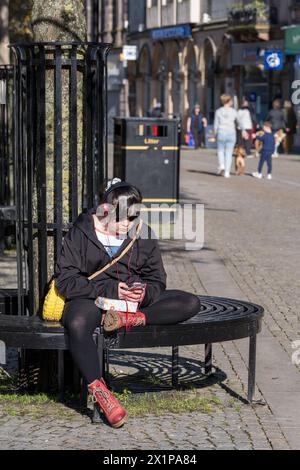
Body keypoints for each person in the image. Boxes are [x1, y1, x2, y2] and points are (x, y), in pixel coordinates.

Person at [54, 178, 201, 429]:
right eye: (120, 218)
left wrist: (143, 293)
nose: (126, 225)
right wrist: (111, 289)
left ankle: (127, 320)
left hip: (129, 307)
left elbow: (157, 279)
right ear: (105, 209)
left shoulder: (143, 234)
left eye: (132, 219)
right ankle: (101, 394)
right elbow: (66, 280)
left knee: (189, 302)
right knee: (77, 322)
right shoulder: (82, 231)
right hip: (94, 299)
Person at [214, 94, 243, 178]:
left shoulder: (218, 111)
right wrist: (242, 129)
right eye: (231, 100)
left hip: (221, 132)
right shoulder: (234, 111)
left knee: (220, 150)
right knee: (229, 153)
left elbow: (216, 124)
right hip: (231, 133)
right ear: (228, 101)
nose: (232, 102)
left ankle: (222, 165)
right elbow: (239, 122)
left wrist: (215, 133)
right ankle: (227, 172)